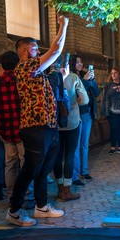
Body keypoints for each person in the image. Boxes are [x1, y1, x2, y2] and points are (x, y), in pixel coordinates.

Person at [6, 15, 69, 227]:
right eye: (34, 48)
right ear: (24, 52)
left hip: (47, 126)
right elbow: (56, 50)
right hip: (35, 127)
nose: (38, 52)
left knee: (44, 168)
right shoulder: (24, 68)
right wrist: (63, 25)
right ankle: (14, 211)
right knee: (30, 169)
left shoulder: (37, 71)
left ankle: (41, 207)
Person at [0, 51, 34, 206]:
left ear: (2, 65)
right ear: (17, 63)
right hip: (23, 128)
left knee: (10, 163)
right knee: (26, 163)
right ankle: (27, 195)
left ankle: (12, 195)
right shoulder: (22, 80)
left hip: (4, 129)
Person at [51, 56, 89, 200]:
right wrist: (73, 103)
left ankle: (59, 188)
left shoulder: (48, 77)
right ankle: (67, 189)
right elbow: (85, 100)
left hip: (54, 123)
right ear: (65, 64)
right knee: (70, 154)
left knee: (57, 155)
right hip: (72, 121)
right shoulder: (73, 77)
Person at [69, 55, 100, 186]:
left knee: (84, 145)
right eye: (77, 62)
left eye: (81, 61)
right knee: (75, 146)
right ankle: (75, 176)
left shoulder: (85, 76)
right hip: (76, 114)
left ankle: (84, 171)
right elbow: (74, 94)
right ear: (72, 64)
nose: (80, 64)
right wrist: (86, 81)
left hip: (86, 113)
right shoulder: (70, 77)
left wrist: (92, 81)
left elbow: (97, 93)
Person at [100, 67, 120, 154]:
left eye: (115, 73)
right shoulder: (109, 85)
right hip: (113, 111)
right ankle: (113, 147)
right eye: (112, 73)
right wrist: (104, 110)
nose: (113, 75)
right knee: (113, 129)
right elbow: (104, 98)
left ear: (119, 74)